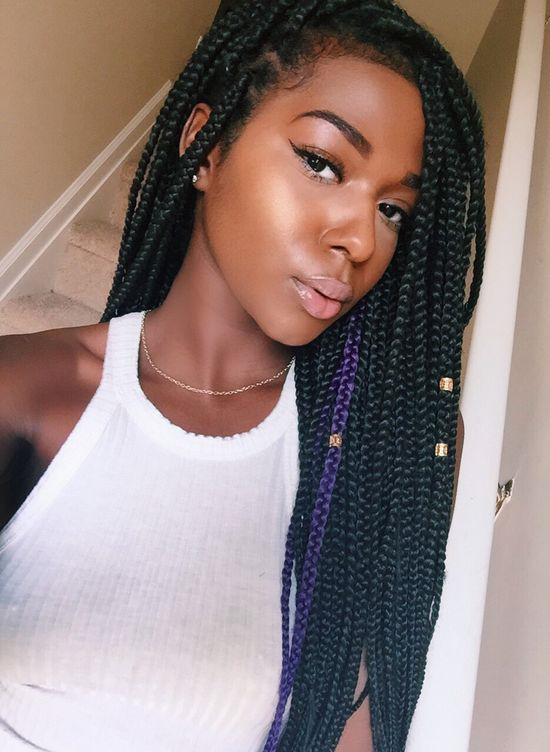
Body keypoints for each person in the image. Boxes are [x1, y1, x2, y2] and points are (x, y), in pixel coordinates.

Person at [0, 0, 486, 750]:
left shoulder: (380, 454)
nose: (361, 238)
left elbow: (354, 729)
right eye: (322, 163)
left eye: (393, 209)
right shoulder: (28, 389)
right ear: (207, 145)